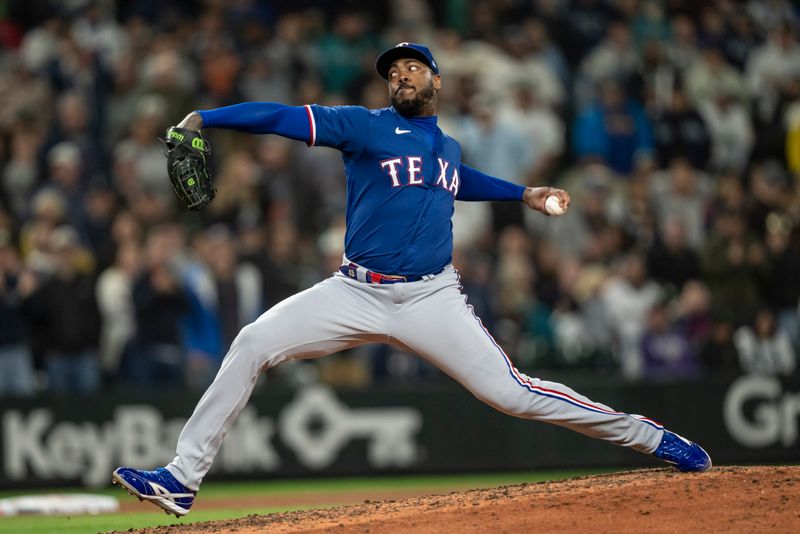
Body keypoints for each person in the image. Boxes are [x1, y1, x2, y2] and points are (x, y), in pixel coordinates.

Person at [112, 43, 711, 518]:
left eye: (412, 67)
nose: (400, 76)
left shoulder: (446, 146)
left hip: (431, 297)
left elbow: (457, 178)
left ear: (436, 81)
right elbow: (281, 117)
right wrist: (205, 117)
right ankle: (181, 478)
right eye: (392, 70)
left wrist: (524, 193)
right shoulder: (364, 127)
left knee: (514, 394)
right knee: (251, 342)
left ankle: (650, 438)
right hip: (353, 291)